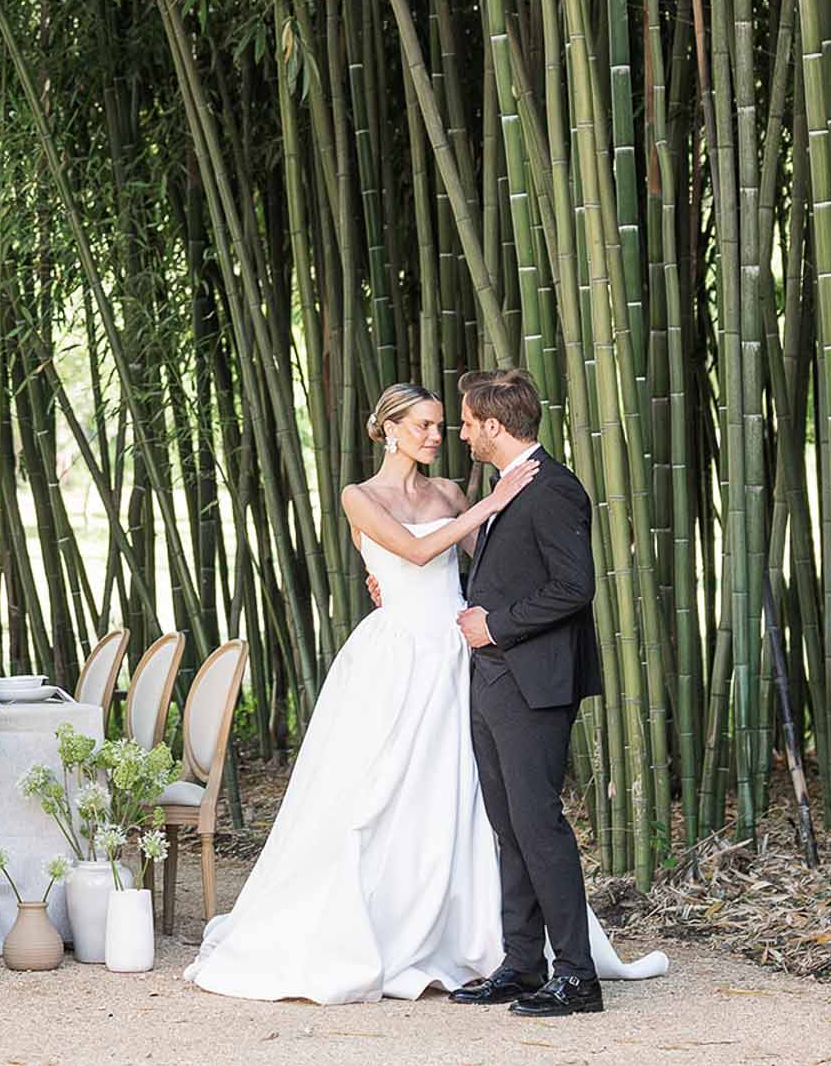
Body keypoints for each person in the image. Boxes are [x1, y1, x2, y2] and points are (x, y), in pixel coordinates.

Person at [183, 378, 665, 1007]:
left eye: (446, 424)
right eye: (426, 426)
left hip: (462, 655)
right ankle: (456, 944)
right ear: (387, 428)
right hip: (400, 659)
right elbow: (411, 550)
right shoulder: (364, 496)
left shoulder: (457, 491)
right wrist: (466, 522)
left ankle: (505, 951)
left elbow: (490, 566)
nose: (441, 436)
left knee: (470, 804)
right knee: (382, 792)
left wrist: (480, 556)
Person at [450, 367, 605, 1016]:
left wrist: (497, 625)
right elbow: (510, 571)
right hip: (493, 680)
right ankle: (521, 963)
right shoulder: (505, 488)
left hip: (534, 682)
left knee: (538, 826)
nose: (460, 433)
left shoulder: (552, 489)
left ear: (493, 423)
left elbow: (576, 586)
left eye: (465, 421)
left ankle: (577, 976)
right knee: (509, 827)